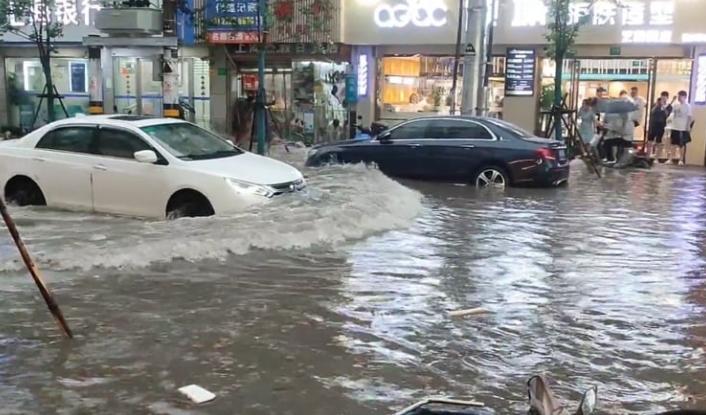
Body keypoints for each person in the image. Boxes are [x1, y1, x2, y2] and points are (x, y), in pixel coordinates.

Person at [668, 90, 693, 165]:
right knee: (673, 143)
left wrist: (688, 127)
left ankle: (681, 160)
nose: (679, 98)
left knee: (681, 144)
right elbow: (672, 114)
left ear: (684, 97)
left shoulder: (688, 106)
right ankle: (670, 159)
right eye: (678, 96)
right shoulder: (675, 105)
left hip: (682, 128)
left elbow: (689, 117)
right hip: (674, 126)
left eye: (680, 96)